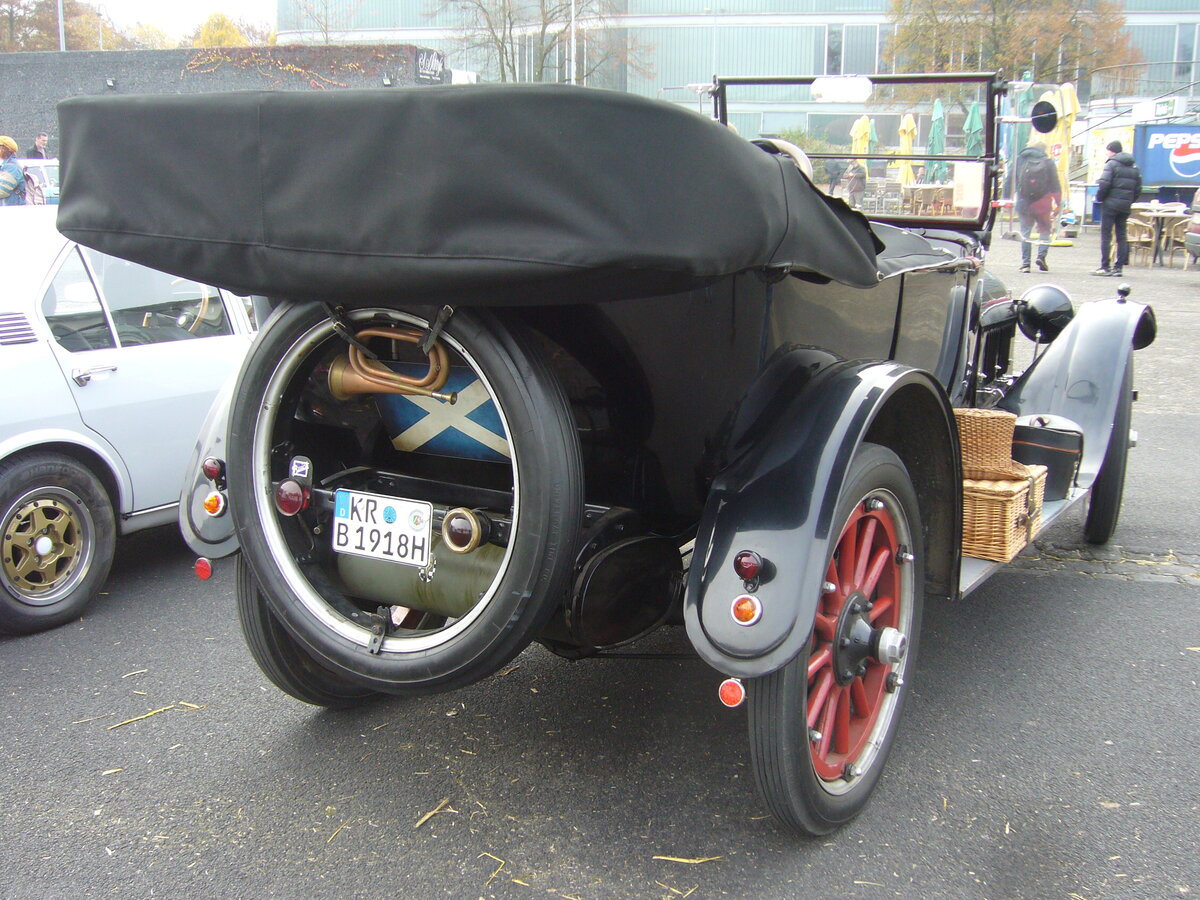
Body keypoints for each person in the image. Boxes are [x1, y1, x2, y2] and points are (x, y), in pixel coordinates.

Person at [1093, 140, 1142, 277]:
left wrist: (1100, 198)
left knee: (1106, 236)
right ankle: (1119, 267)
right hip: (1125, 206)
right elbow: (1138, 189)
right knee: (1121, 235)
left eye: (1108, 150)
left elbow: (1104, 184)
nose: (1107, 153)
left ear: (1112, 151)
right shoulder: (1134, 167)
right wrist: (1129, 201)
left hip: (1110, 204)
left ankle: (1105, 266)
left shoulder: (1111, 164)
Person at [1013, 142, 1061, 273]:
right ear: (1043, 150)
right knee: (1044, 230)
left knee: (1025, 233)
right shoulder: (1048, 162)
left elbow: (1009, 180)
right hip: (1043, 202)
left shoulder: (1020, 160)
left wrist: (1007, 198)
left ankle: (1025, 264)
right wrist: (1058, 203)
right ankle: (1041, 256)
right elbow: (1055, 184)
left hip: (1024, 201)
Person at [0, 136, 26, 206]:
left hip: (11, 212)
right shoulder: (5, 166)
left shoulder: (12, 167)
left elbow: (2, 190)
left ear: (2, 149)